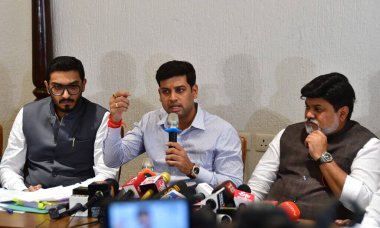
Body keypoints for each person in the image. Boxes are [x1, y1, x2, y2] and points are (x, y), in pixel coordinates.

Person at [247, 73, 380, 221]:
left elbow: (363, 204)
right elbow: (258, 186)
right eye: (307, 107)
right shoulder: (288, 133)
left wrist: (323, 156)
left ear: (342, 113)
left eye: (318, 109)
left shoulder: (367, 144)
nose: (308, 114)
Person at [103, 60, 243, 187]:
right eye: (166, 92)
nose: (173, 98)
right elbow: (113, 160)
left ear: (194, 91)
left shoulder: (222, 131)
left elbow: (234, 184)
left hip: (199, 207)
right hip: (157, 203)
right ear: (159, 94)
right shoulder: (150, 121)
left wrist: (192, 169)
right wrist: (115, 120)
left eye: (180, 90)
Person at [0, 56, 117, 191]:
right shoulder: (26, 113)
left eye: (73, 87)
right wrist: (22, 190)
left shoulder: (101, 118)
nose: (66, 95)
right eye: (57, 87)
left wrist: (68, 192)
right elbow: (9, 166)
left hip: (78, 202)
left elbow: (106, 174)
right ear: (47, 86)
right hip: (30, 200)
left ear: (83, 84)